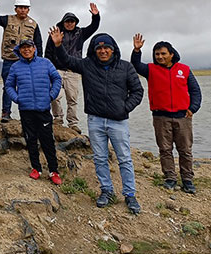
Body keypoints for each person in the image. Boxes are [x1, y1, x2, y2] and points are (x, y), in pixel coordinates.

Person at [50, 28, 144, 214]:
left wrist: (124, 108)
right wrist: (59, 45)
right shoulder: (87, 65)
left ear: (113, 49)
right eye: (99, 48)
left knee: (124, 159)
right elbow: (66, 61)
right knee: (100, 158)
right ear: (94, 50)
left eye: (106, 48)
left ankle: (130, 194)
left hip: (118, 121)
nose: (102, 51)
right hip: (95, 120)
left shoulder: (126, 67)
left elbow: (138, 91)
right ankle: (106, 191)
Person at [131, 34, 202, 194]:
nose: (160, 56)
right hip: (160, 116)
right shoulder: (150, 70)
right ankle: (170, 178)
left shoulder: (184, 70)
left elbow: (195, 91)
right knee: (165, 149)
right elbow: (136, 65)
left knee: (185, 149)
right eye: (157, 54)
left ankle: (187, 179)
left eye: (163, 53)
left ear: (171, 54)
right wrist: (136, 50)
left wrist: (193, 108)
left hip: (183, 117)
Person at [5, 39, 62, 185]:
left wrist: (51, 95)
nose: (26, 50)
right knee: (31, 140)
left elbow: (56, 78)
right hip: (26, 110)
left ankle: (53, 171)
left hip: (43, 109)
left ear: (34, 48)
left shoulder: (45, 63)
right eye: (23, 48)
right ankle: (36, 168)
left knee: (47, 141)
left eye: (29, 47)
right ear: (20, 50)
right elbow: (9, 85)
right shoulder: (15, 67)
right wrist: (17, 99)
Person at [0, 0, 43, 123]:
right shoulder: (7, 20)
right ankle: (6, 112)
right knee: (8, 86)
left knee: (27, 87)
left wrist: (38, 60)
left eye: (25, 8)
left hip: (26, 61)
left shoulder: (33, 24)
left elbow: (38, 44)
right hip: (9, 60)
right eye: (20, 8)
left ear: (28, 9)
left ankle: (27, 113)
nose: (23, 10)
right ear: (16, 8)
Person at [44, 4, 101, 133]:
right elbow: (48, 52)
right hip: (57, 70)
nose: (70, 24)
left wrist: (96, 16)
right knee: (54, 96)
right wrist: (49, 69)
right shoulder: (56, 34)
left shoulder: (80, 33)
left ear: (75, 23)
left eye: (72, 21)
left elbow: (94, 27)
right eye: (67, 21)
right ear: (63, 22)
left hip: (73, 71)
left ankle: (73, 123)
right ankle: (57, 119)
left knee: (72, 99)